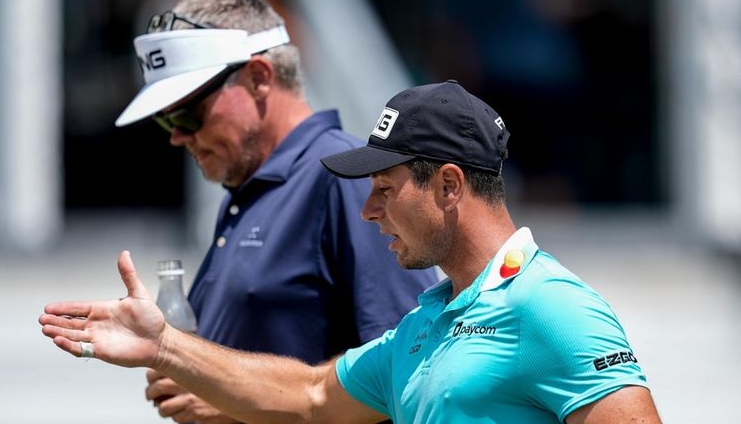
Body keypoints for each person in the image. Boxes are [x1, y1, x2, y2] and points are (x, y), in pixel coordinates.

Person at [41, 80, 662, 423]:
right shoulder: (426, 320)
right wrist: (166, 348)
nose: (368, 211)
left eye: (385, 191)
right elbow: (310, 395)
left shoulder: (550, 307)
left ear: (448, 186)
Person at [113, 0, 438, 422]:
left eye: (188, 116)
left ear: (259, 77)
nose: (177, 136)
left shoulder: (346, 180)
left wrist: (234, 399)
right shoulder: (248, 189)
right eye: (165, 121)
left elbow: (411, 368)